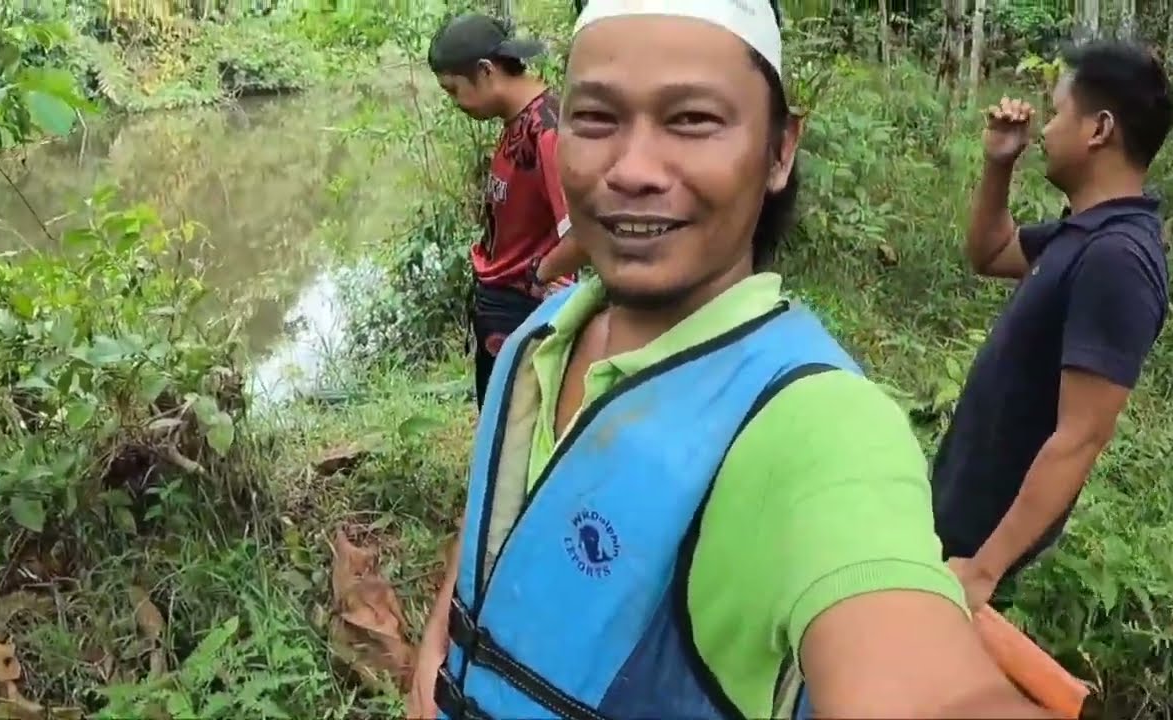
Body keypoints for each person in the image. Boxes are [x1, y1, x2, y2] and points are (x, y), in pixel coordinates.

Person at [406, 1, 1056, 718]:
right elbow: (486, 547)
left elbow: (930, 688)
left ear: (780, 151)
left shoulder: (817, 425)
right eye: (595, 118)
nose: (633, 169)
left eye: (692, 120)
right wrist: (428, 671)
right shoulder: (543, 336)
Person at [935, 42, 1171, 612]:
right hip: (956, 523)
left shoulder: (1118, 258)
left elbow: (1081, 436)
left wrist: (984, 569)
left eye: (1058, 111)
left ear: (1099, 129)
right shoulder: (1085, 233)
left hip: (976, 554)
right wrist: (999, 163)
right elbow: (990, 253)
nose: (1044, 129)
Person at [427, 13, 589, 410]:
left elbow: (583, 234)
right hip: (501, 303)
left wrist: (538, 274)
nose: (455, 103)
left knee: (514, 424)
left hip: (522, 307)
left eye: (454, 90)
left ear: (486, 71)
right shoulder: (519, 121)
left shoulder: (547, 132)